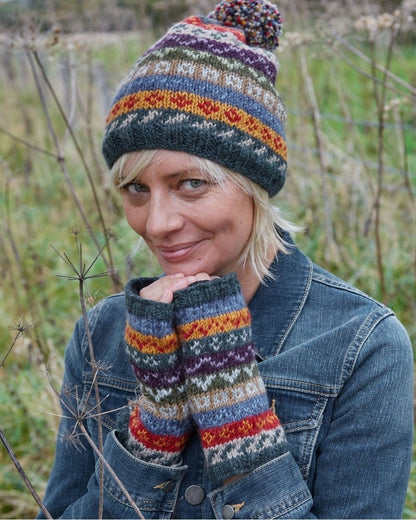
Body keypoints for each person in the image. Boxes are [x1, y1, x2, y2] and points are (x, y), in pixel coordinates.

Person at [39, 0, 414, 518]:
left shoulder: (361, 347)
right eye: (136, 189)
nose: (157, 223)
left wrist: (236, 421)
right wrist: (151, 436)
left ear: (253, 184)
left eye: (191, 183)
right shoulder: (100, 335)